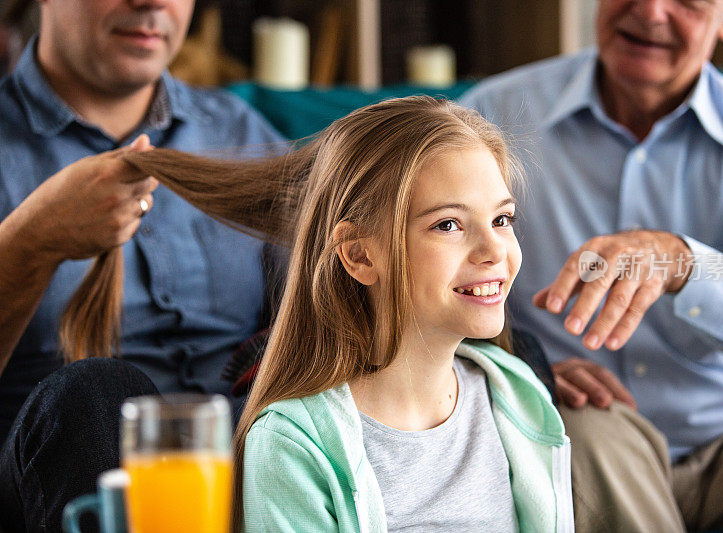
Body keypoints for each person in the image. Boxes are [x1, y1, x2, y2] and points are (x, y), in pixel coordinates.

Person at [118, 96, 574, 532]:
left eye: (502, 220)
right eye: (448, 225)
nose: (495, 250)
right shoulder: (291, 446)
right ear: (359, 255)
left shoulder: (517, 395)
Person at [461, 0, 723, 530]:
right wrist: (523, 366)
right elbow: (416, 286)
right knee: (581, 433)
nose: (650, 11)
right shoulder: (493, 117)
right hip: (583, 428)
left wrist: (685, 264)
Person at [0, 0, 284, 529]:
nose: (152, 3)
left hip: (248, 458)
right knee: (91, 395)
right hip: (54, 473)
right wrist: (31, 240)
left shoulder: (243, 134)